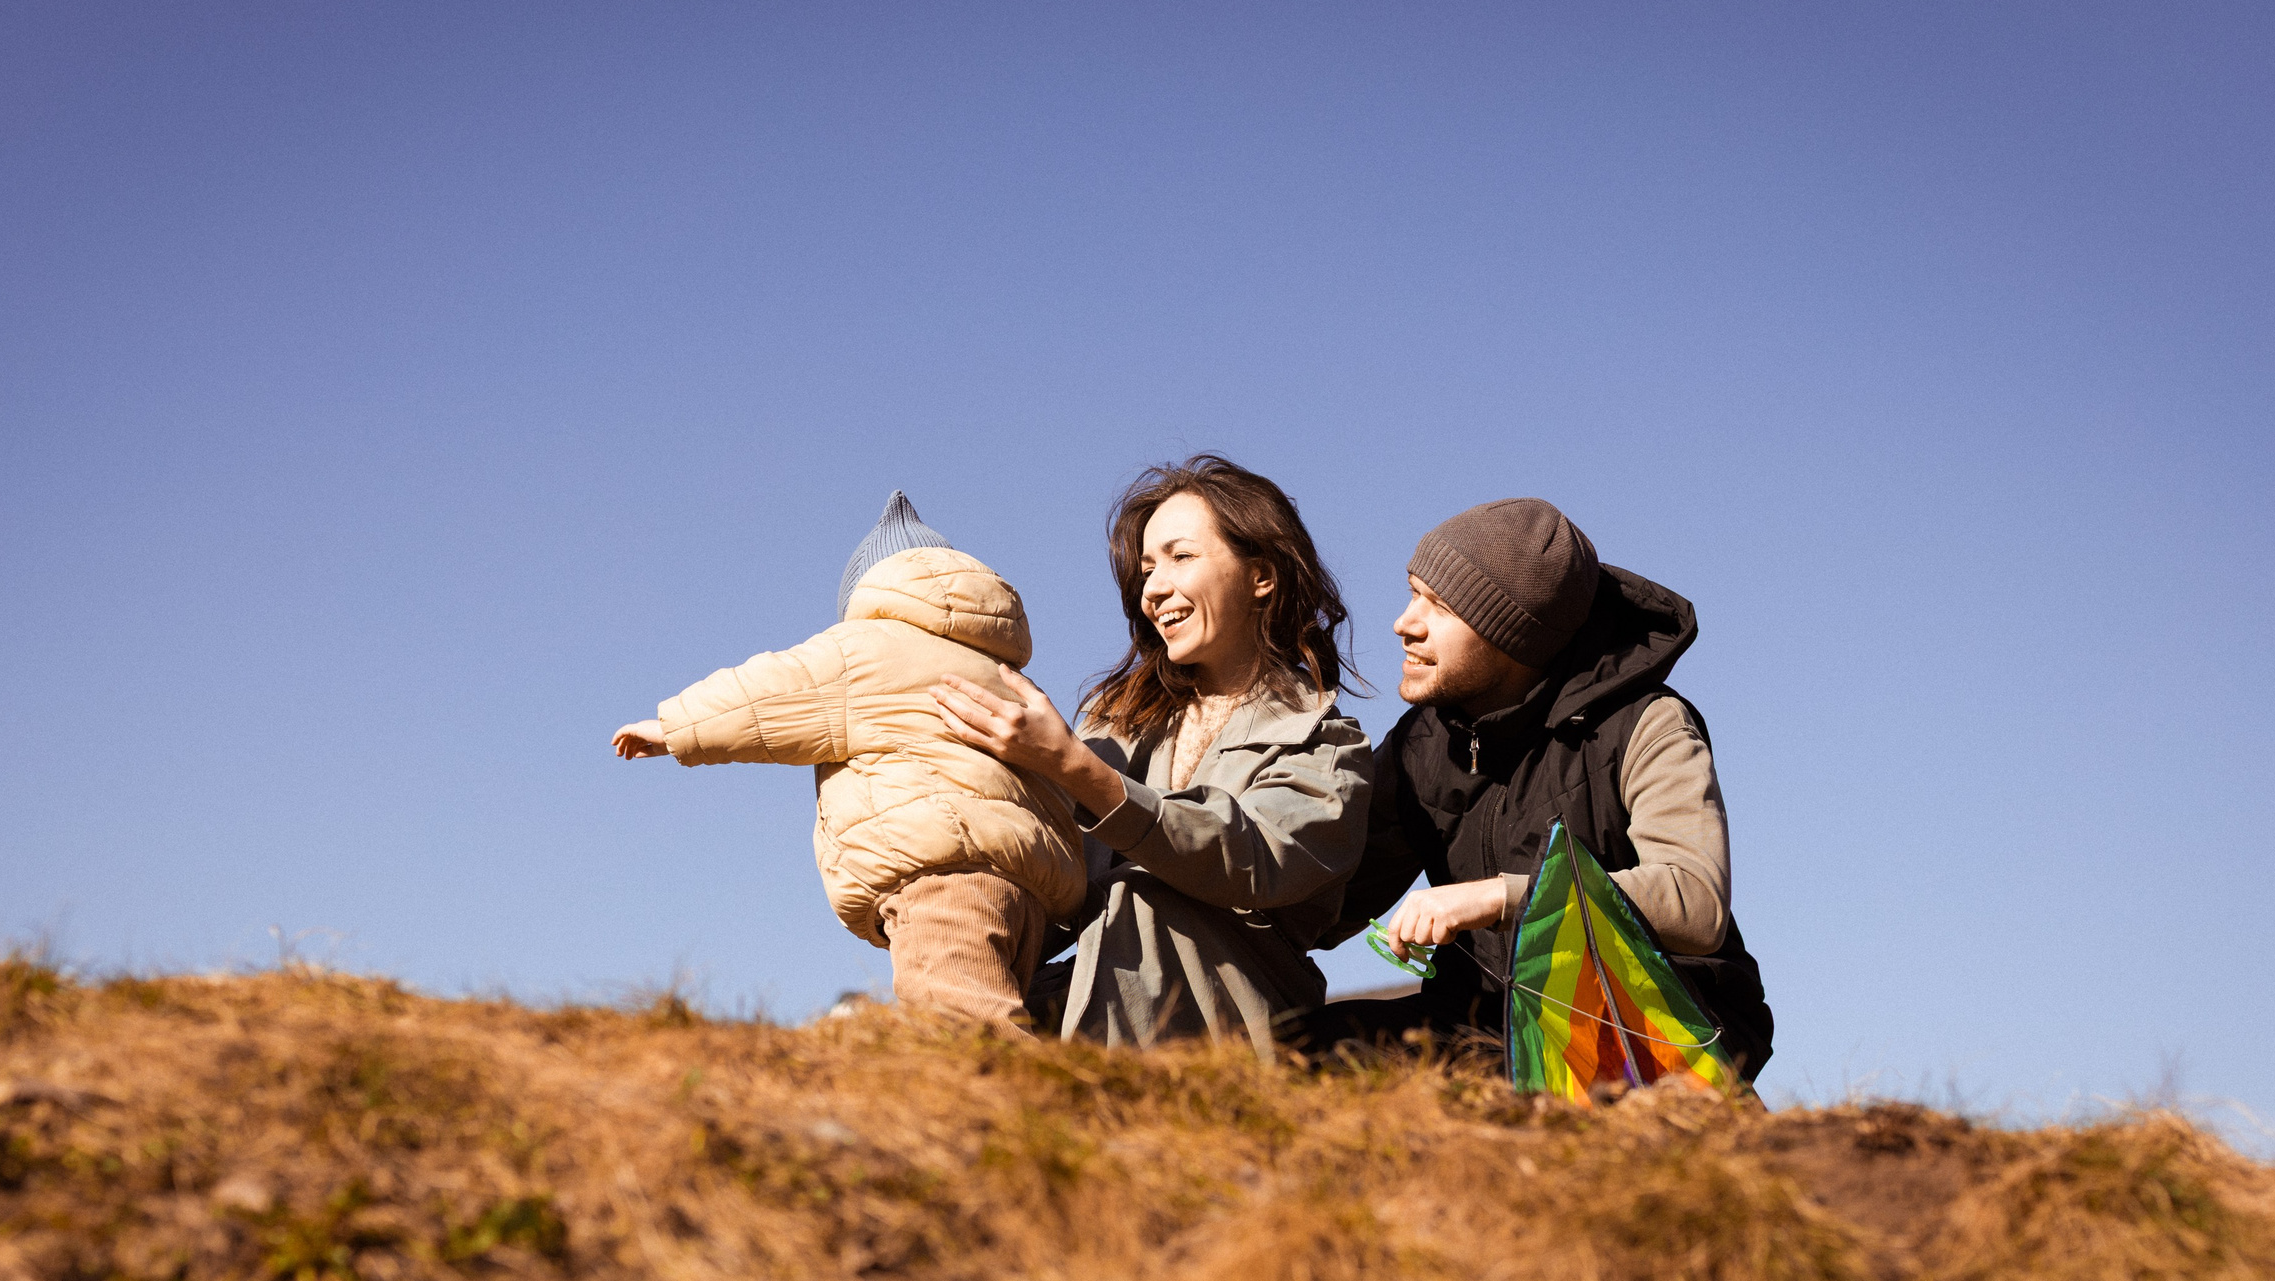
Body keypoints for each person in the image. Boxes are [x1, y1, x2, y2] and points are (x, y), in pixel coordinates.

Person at [1311, 497, 1776, 1080]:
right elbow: (1327, 898)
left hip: (1643, 1032)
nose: (1405, 622)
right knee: (1296, 1051)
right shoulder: (1421, 742)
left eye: (1440, 607)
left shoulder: (1647, 724)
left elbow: (1695, 901)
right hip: (1483, 1023)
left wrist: (1500, 898)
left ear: (1514, 636)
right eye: (1412, 592)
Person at [931, 456, 1371, 1058]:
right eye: (1145, 570)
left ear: (1261, 576)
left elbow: (1250, 856)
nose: (1154, 589)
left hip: (1244, 1025)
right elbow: (1059, 887)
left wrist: (1077, 770)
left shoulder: (1327, 744)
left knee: (1146, 895)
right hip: (1096, 985)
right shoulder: (1120, 721)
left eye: (1181, 556)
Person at [610, 493, 1084, 1029]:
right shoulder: (1006, 678)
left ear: (868, 595)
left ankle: (1012, 1110)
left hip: (943, 879)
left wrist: (674, 727)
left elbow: (769, 694)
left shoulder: (864, 649)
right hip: (1031, 901)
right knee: (1002, 1011)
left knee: (962, 1030)